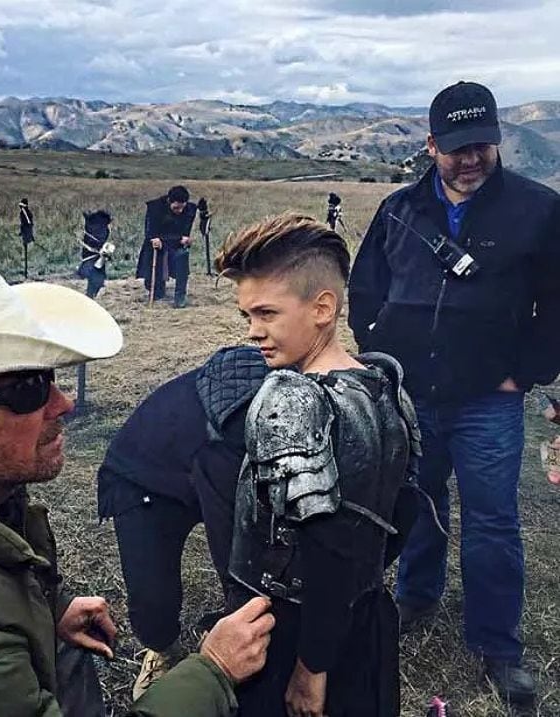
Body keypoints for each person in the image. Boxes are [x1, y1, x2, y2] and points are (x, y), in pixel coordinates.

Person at [0, 253, 274, 717]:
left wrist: (42, 611)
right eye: (27, 392)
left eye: (49, 378)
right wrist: (212, 671)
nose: (65, 403)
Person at [348, 81, 560, 706]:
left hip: (488, 401)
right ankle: (416, 598)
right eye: (458, 148)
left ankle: (497, 644)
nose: (471, 160)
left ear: (497, 142)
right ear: (432, 144)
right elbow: (365, 290)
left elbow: (557, 303)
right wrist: (381, 354)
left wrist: (526, 373)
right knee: (416, 501)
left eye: (483, 146)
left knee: (493, 520)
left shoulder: (539, 210)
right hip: (411, 394)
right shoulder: (399, 210)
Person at [215, 213, 419, 717]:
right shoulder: (385, 383)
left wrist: (311, 666)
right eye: (247, 316)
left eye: (266, 313)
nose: (253, 331)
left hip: (290, 632)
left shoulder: (290, 397)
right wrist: (356, 589)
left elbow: (326, 545)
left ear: (323, 307)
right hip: (362, 614)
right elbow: (404, 512)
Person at [97, 345, 270, 699]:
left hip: (193, 467)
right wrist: (245, 618)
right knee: (152, 598)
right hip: (141, 479)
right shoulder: (228, 436)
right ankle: (161, 651)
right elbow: (234, 546)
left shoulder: (289, 395)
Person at [136, 185, 197, 308]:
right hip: (157, 245)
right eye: (176, 208)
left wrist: (187, 239)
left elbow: (186, 231)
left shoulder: (189, 210)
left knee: (182, 256)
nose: (179, 211)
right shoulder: (155, 207)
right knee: (155, 288)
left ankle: (180, 296)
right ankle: (157, 290)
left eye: (182, 208)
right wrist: (154, 238)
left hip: (176, 245)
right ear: (169, 201)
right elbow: (150, 231)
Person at [78, 210, 114, 298]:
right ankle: (90, 294)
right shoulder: (97, 226)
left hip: (95, 254)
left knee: (96, 276)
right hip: (92, 254)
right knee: (95, 275)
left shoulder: (101, 226)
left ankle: (91, 293)